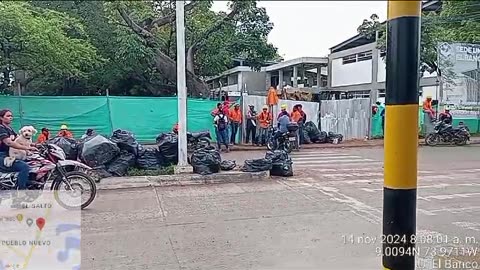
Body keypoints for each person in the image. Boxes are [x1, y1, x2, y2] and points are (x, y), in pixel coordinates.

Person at [0, 109, 37, 190]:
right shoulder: (1, 129)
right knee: (25, 167)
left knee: (33, 163)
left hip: (10, 155)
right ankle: (21, 191)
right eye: (8, 116)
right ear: (1, 118)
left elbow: (20, 139)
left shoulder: (10, 129)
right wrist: (27, 148)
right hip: (3, 156)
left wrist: (36, 145)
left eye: (11, 116)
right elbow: (9, 143)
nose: (11, 117)